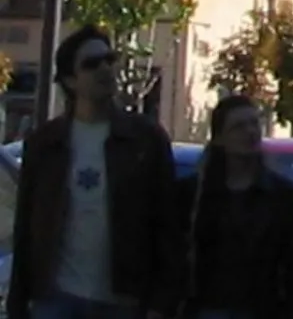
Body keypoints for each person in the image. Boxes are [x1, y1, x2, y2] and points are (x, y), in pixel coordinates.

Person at [7, 25, 183, 319]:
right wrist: (19, 304)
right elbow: (26, 228)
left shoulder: (145, 140)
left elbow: (168, 226)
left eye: (109, 59)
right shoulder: (45, 144)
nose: (105, 69)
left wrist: (161, 303)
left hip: (123, 302)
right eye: (91, 64)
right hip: (56, 299)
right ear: (70, 80)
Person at [179, 95, 293, 319]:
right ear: (220, 139)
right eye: (239, 126)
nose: (250, 132)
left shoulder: (285, 196)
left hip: (262, 309)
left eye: (254, 123)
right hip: (205, 308)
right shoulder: (193, 194)